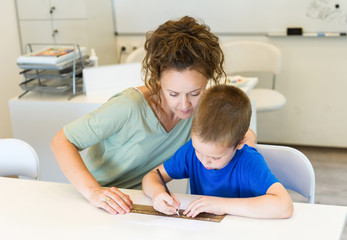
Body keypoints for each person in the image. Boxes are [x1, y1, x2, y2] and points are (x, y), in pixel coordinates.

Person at [50, 16, 256, 215]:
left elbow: (243, 134)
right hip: (101, 200)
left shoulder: (203, 109)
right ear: (158, 80)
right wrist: (94, 192)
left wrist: (245, 156)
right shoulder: (129, 106)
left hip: (142, 200)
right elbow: (62, 140)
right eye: (173, 94)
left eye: (195, 93)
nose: (185, 105)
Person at [142, 85, 293, 219]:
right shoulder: (190, 152)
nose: (204, 161)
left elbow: (284, 206)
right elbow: (152, 176)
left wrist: (219, 205)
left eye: (215, 157)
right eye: (198, 150)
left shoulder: (249, 161)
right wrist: (157, 193)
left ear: (240, 143)